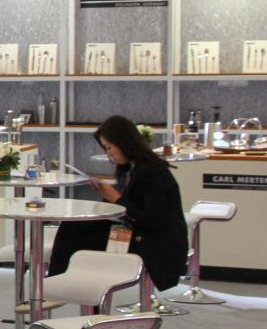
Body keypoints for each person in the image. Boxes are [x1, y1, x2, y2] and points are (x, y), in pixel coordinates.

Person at [48, 115, 189, 292]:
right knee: (73, 225)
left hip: (152, 243)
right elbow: (126, 208)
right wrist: (107, 195)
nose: (109, 154)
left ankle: (57, 286)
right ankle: (58, 284)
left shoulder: (153, 171)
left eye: (109, 147)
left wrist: (115, 197)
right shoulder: (130, 168)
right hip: (135, 232)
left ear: (124, 142)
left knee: (77, 235)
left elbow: (151, 220)